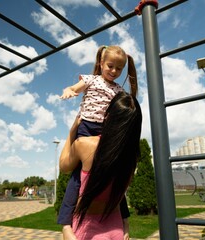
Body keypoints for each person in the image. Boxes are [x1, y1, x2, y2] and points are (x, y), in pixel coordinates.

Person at [58, 45, 138, 237]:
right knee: (78, 175)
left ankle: (123, 217)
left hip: (106, 131)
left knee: (114, 178)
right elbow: (74, 87)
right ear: (101, 64)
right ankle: (65, 220)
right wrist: (70, 90)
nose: (114, 71)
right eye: (110, 66)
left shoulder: (118, 90)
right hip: (86, 127)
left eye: (119, 69)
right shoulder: (91, 79)